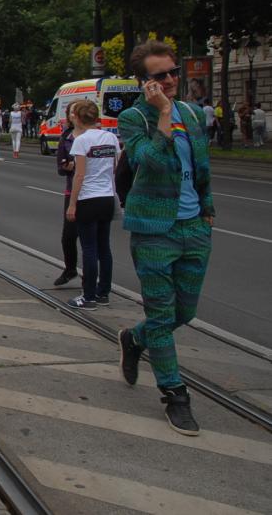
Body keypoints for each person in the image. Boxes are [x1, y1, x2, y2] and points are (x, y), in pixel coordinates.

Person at [116, 40, 214, 436]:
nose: (171, 79)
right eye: (161, 75)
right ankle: (175, 395)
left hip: (194, 228)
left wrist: (207, 208)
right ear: (144, 82)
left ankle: (134, 339)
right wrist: (162, 114)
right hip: (153, 230)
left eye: (174, 72)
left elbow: (201, 165)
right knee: (161, 315)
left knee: (183, 313)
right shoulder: (133, 119)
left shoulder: (193, 114)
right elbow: (151, 162)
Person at [64, 99, 119, 311]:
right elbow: (114, 167)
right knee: (104, 247)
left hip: (88, 198)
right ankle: (103, 292)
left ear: (78, 118)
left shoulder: (81, 141)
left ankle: (88, 297)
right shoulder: (110, 138)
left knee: (89, 248)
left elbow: (79, 175)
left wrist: (72, 204)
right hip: (107, 197)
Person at [53, 105, 80, 286]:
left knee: (91, 239)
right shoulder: (67, 137)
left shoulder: (98, 136)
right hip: (72, 191)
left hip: (94, 193)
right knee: (69, 236)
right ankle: (70, 269)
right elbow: (61, 168)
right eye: (72, 112)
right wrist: (67, 166)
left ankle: (96, 282)